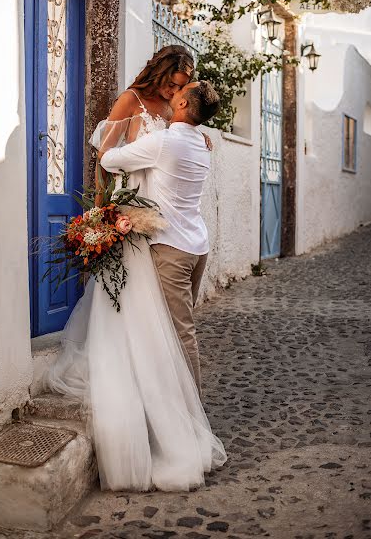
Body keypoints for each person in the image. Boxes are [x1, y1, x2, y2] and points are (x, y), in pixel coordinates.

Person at [44, 46, 226, 493]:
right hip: (142, 223)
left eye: (184, 86)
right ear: (164, 73)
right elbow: (104, 160)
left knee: (166, 324)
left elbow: (169, 146)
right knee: (146, 320)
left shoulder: (176, 119)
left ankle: (176, 409)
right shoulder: (133, 100)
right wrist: (104, 212)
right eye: (177, 80)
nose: (178, 89)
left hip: (162, 231)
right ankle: (167, 407)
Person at [102, 80, 220, 399]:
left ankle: (191, 417)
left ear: (183, 105)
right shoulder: (201, 143)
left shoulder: (164, 142)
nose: (173, 94)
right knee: (173, 329)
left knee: (181, 333)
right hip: (197, 247)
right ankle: (165, 399)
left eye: (180, 92)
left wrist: (114, 137)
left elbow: (109, 161)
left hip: (173, 250)